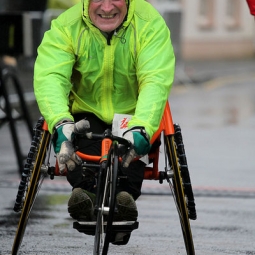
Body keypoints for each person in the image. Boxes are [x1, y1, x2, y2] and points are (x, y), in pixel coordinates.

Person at [34, 0, 175, 245]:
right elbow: (51, 76)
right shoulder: (66, 27)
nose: (107, 7)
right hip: (84, 115)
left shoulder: (150, 24)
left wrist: (142, 126)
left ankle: (125, 200)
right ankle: (85, 195)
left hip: (134, 115)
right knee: (80, 151)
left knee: (129, 155)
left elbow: (155, 79)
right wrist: (59, 123)